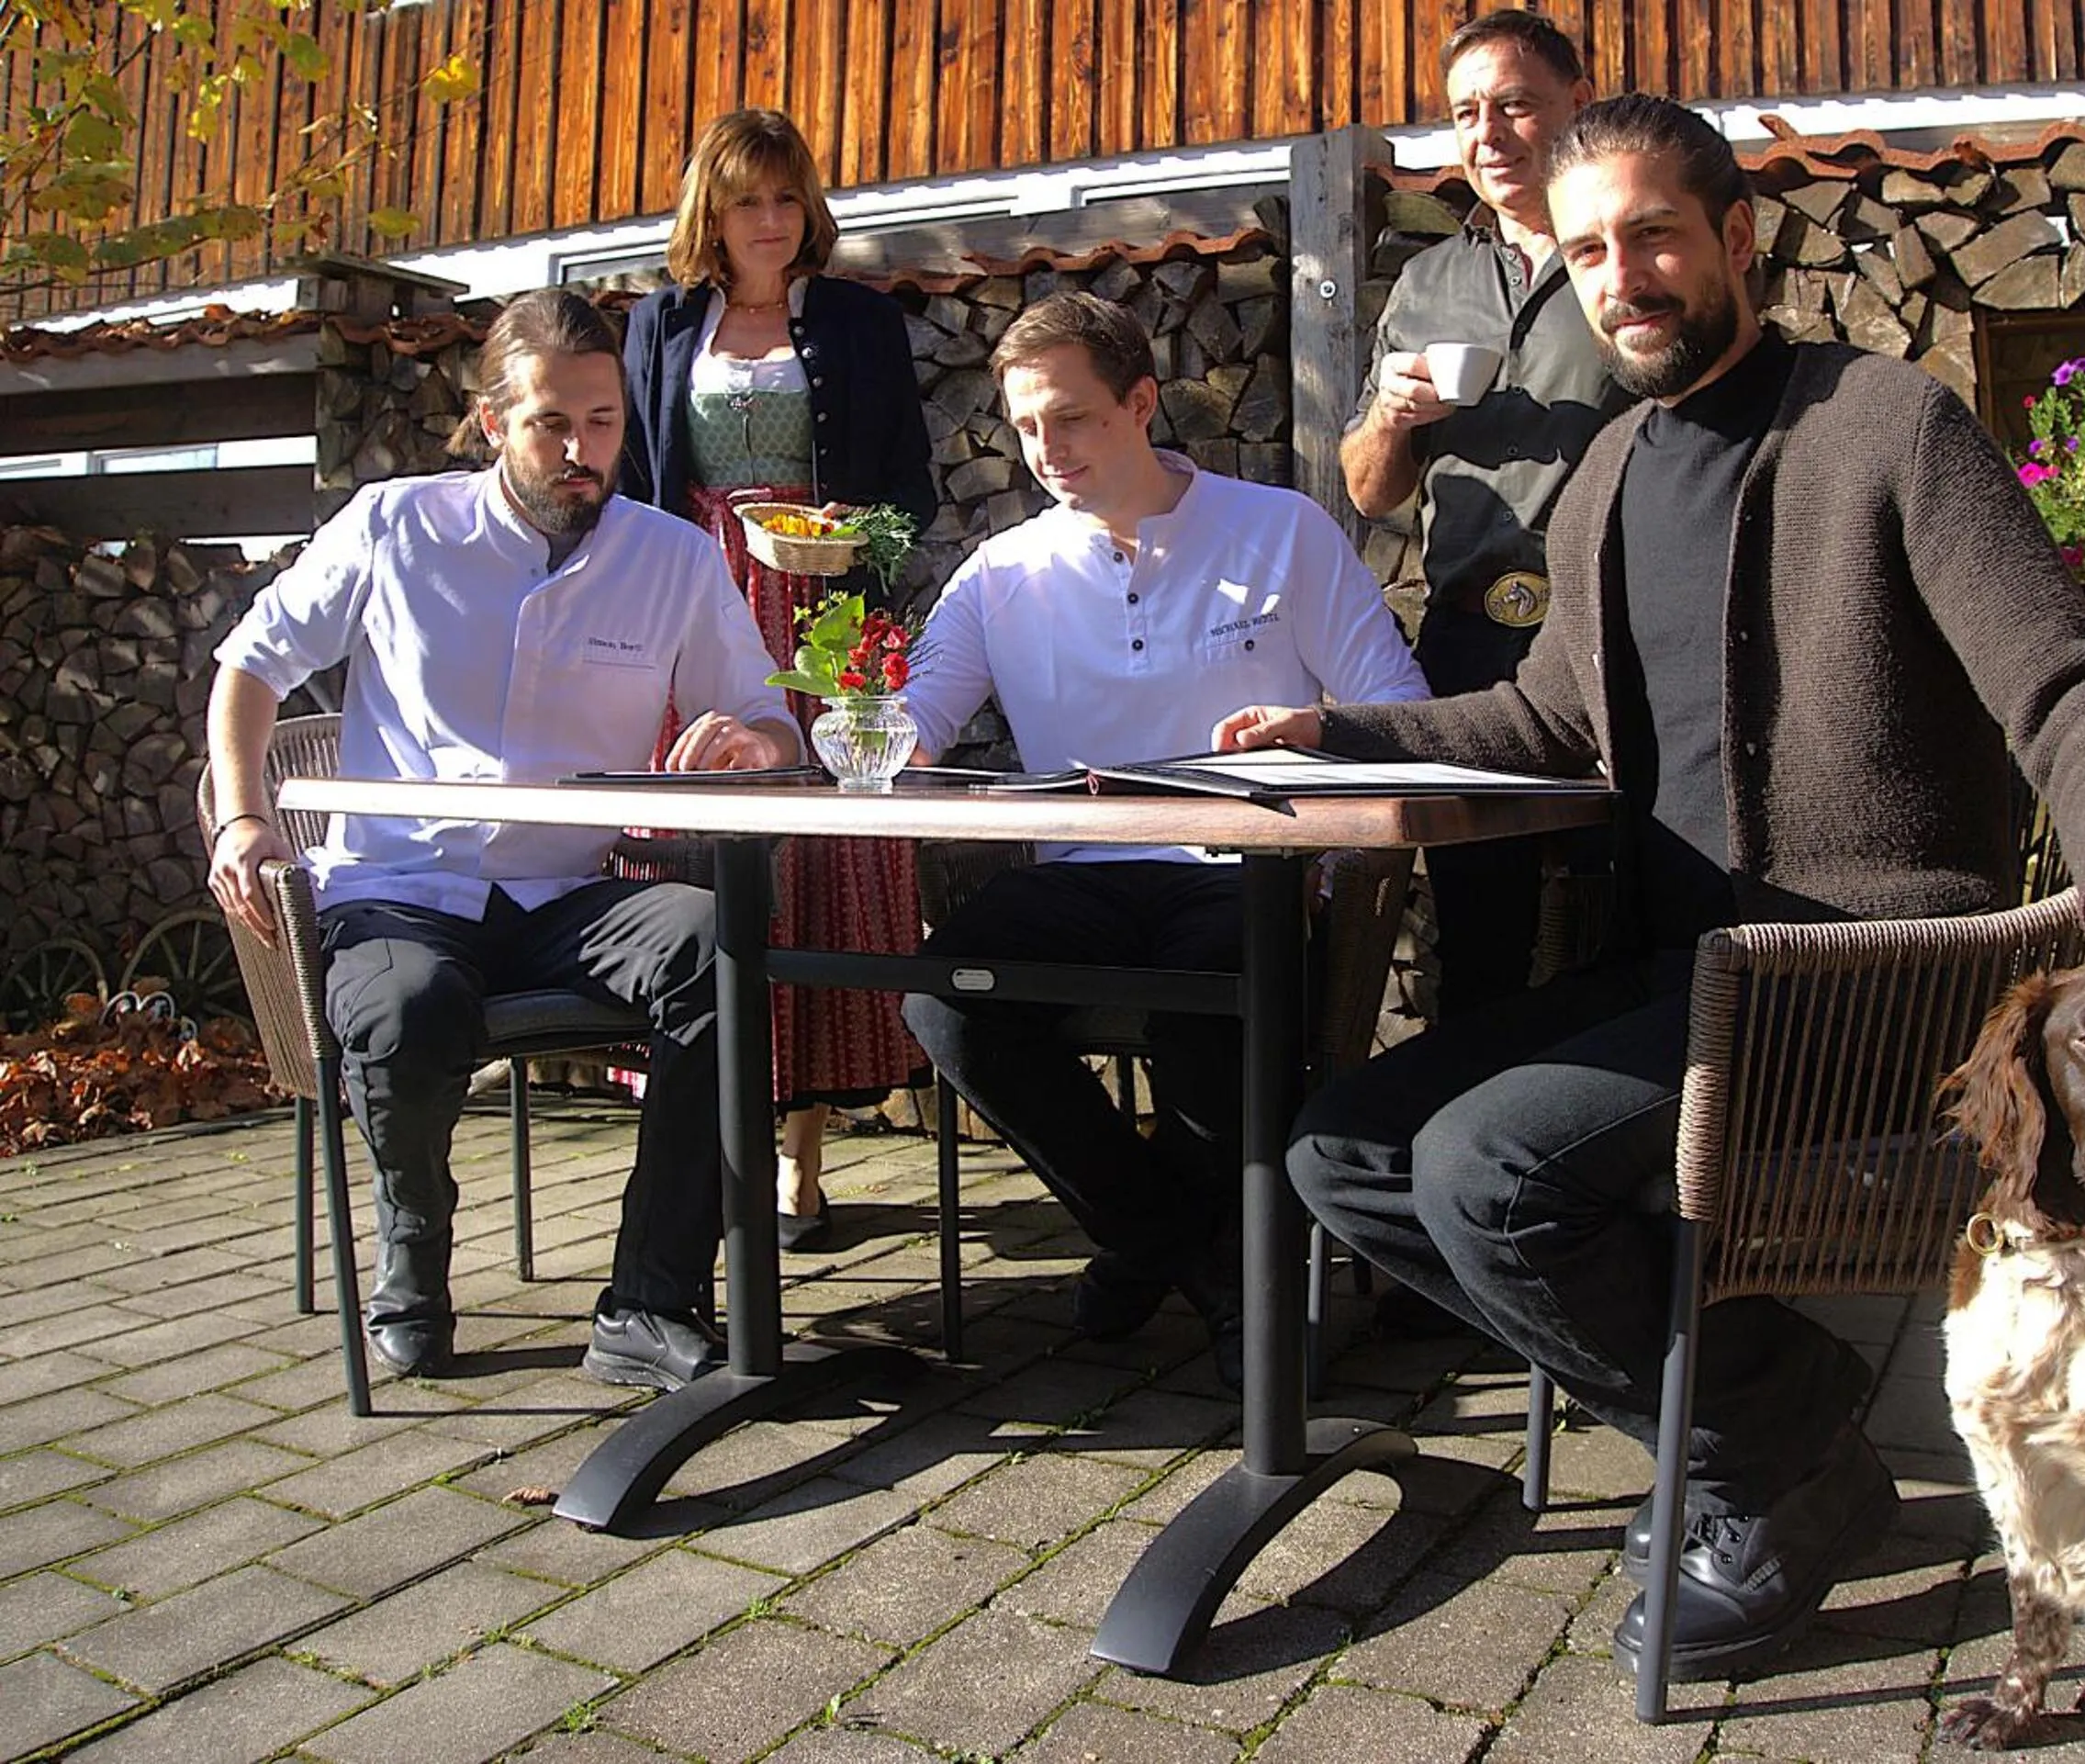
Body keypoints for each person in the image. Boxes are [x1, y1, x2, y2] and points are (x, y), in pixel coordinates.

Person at [1216, 96, 2085, 1681]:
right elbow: (1545, 714)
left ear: (1735, 237)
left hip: (1862, 988)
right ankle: (1781, 1419)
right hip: (1684, 977)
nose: (1623, 275)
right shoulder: (1612, 464)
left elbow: (2069, 678)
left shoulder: (1887, 427)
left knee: (1491, 1172)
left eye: (1653, 235)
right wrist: (1331, 728)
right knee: (1342, 1148)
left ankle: (1766, 1466)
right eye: (1587, 250)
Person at [205, 288, 801, 1391]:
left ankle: (650, 1297)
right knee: (409, 1006)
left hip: (565, 890)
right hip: (398, 885)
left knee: (719, 949)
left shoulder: (668, 556)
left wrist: (751, 743)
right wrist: (245, 817)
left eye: (604, 423)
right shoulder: (396, 526)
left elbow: (767, 721)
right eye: (552, 425)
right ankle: (414, 1254)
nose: (583, 452)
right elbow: (251, 665)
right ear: (494, 423)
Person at [897, 292, 1429, 1388]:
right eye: (1027, 425)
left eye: (1074, 419)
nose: (1047, 450)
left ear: (1143, 402)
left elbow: (1396, 701)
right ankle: (1188, 1252)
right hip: (1083, 875)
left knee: (1212, 999)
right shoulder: (1001, 573)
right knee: (944, 993)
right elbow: (908, 718)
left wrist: (1318, 741)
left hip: (1251, 870)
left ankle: (1177, 1256)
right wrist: (792, 720)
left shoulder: (1278, 529)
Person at [621, 107, 940, 1253]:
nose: (769, 218)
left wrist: (858, 542)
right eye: (748, 197)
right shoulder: (659, 323)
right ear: (709, 208)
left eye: (787, 197)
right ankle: (705, 1141)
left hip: (822, 613)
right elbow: (634, 489)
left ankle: (799, 1159)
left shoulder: (856, 320)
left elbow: (911, 482)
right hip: (690, 613)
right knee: (699, 855)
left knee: (816, 859)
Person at [1341, 8, 1630, 1019]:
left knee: (1622, 910)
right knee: (1478, 931)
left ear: (1576, 105)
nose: (1490, 131)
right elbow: (1371, 489)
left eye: (1515, 103)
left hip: (1616, 636)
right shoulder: (1427, 281)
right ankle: (1480, 1153)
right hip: (1467, 645)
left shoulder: (1626, 257)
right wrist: (1388, 413)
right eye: (1468, 112)